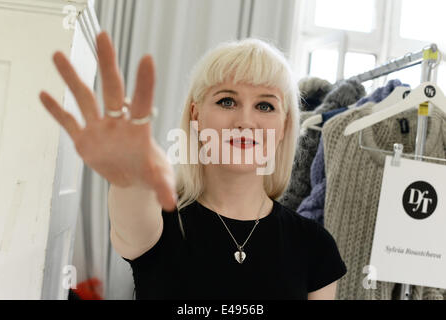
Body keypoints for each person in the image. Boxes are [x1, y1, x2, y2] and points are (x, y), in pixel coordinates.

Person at [39, 31, 347, 300]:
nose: (245, 122)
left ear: (284, 126)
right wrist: (129, 176)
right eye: (227, 101)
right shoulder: (158, 223)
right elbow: (131, 206)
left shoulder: (316, 247)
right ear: (196, 115)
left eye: (265, 105)